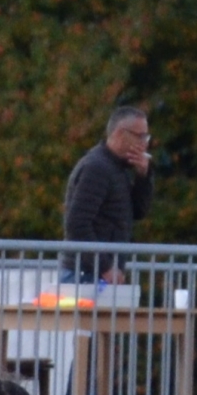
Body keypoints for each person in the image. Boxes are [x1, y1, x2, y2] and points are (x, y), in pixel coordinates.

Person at [63, 106, 153, 285]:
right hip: (86, 275)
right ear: (120, 134)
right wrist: (104, 267)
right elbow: (76, 224)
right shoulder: (97, 168)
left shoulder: (117, 169)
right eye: (140, 136)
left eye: (146, 137)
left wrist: (143, 176)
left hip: (95, 274)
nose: (145, 143)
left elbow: (139, 211)